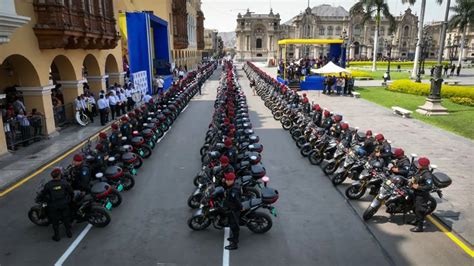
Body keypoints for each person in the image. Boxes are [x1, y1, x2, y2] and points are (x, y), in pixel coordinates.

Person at [38, 167, 74, 241]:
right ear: (59, 175)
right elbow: (71, 192)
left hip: (54, 206)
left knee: (55, 222)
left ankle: (57, 237)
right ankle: (69, 234)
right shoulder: (64, 183)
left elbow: (43, 194)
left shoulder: (48, 185)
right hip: (64, 204)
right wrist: (69, 199)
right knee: (66, 219)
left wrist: (42, 199)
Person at [408, 157, 433, 232]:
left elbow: (429, 186)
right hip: (416, 193)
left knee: (420, 210)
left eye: (420, 163)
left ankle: (420, 227)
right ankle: (416, 221)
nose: (418, 164)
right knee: (415, 208)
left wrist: (418, 187)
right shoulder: (420, 170)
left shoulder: (427, 175)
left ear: (424, 165)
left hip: (422, 195)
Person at [223, 172, 242, 250]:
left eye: (228, 180)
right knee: (232, 224)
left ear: (232, 180)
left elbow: (237, 201)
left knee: (234, 226)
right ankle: (233, 238)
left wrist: (240, 208)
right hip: (230, 207)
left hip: (234, 210)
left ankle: (235, 244)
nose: (227, 181)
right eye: (227, 179)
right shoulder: (233, 185)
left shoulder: (234, 190)